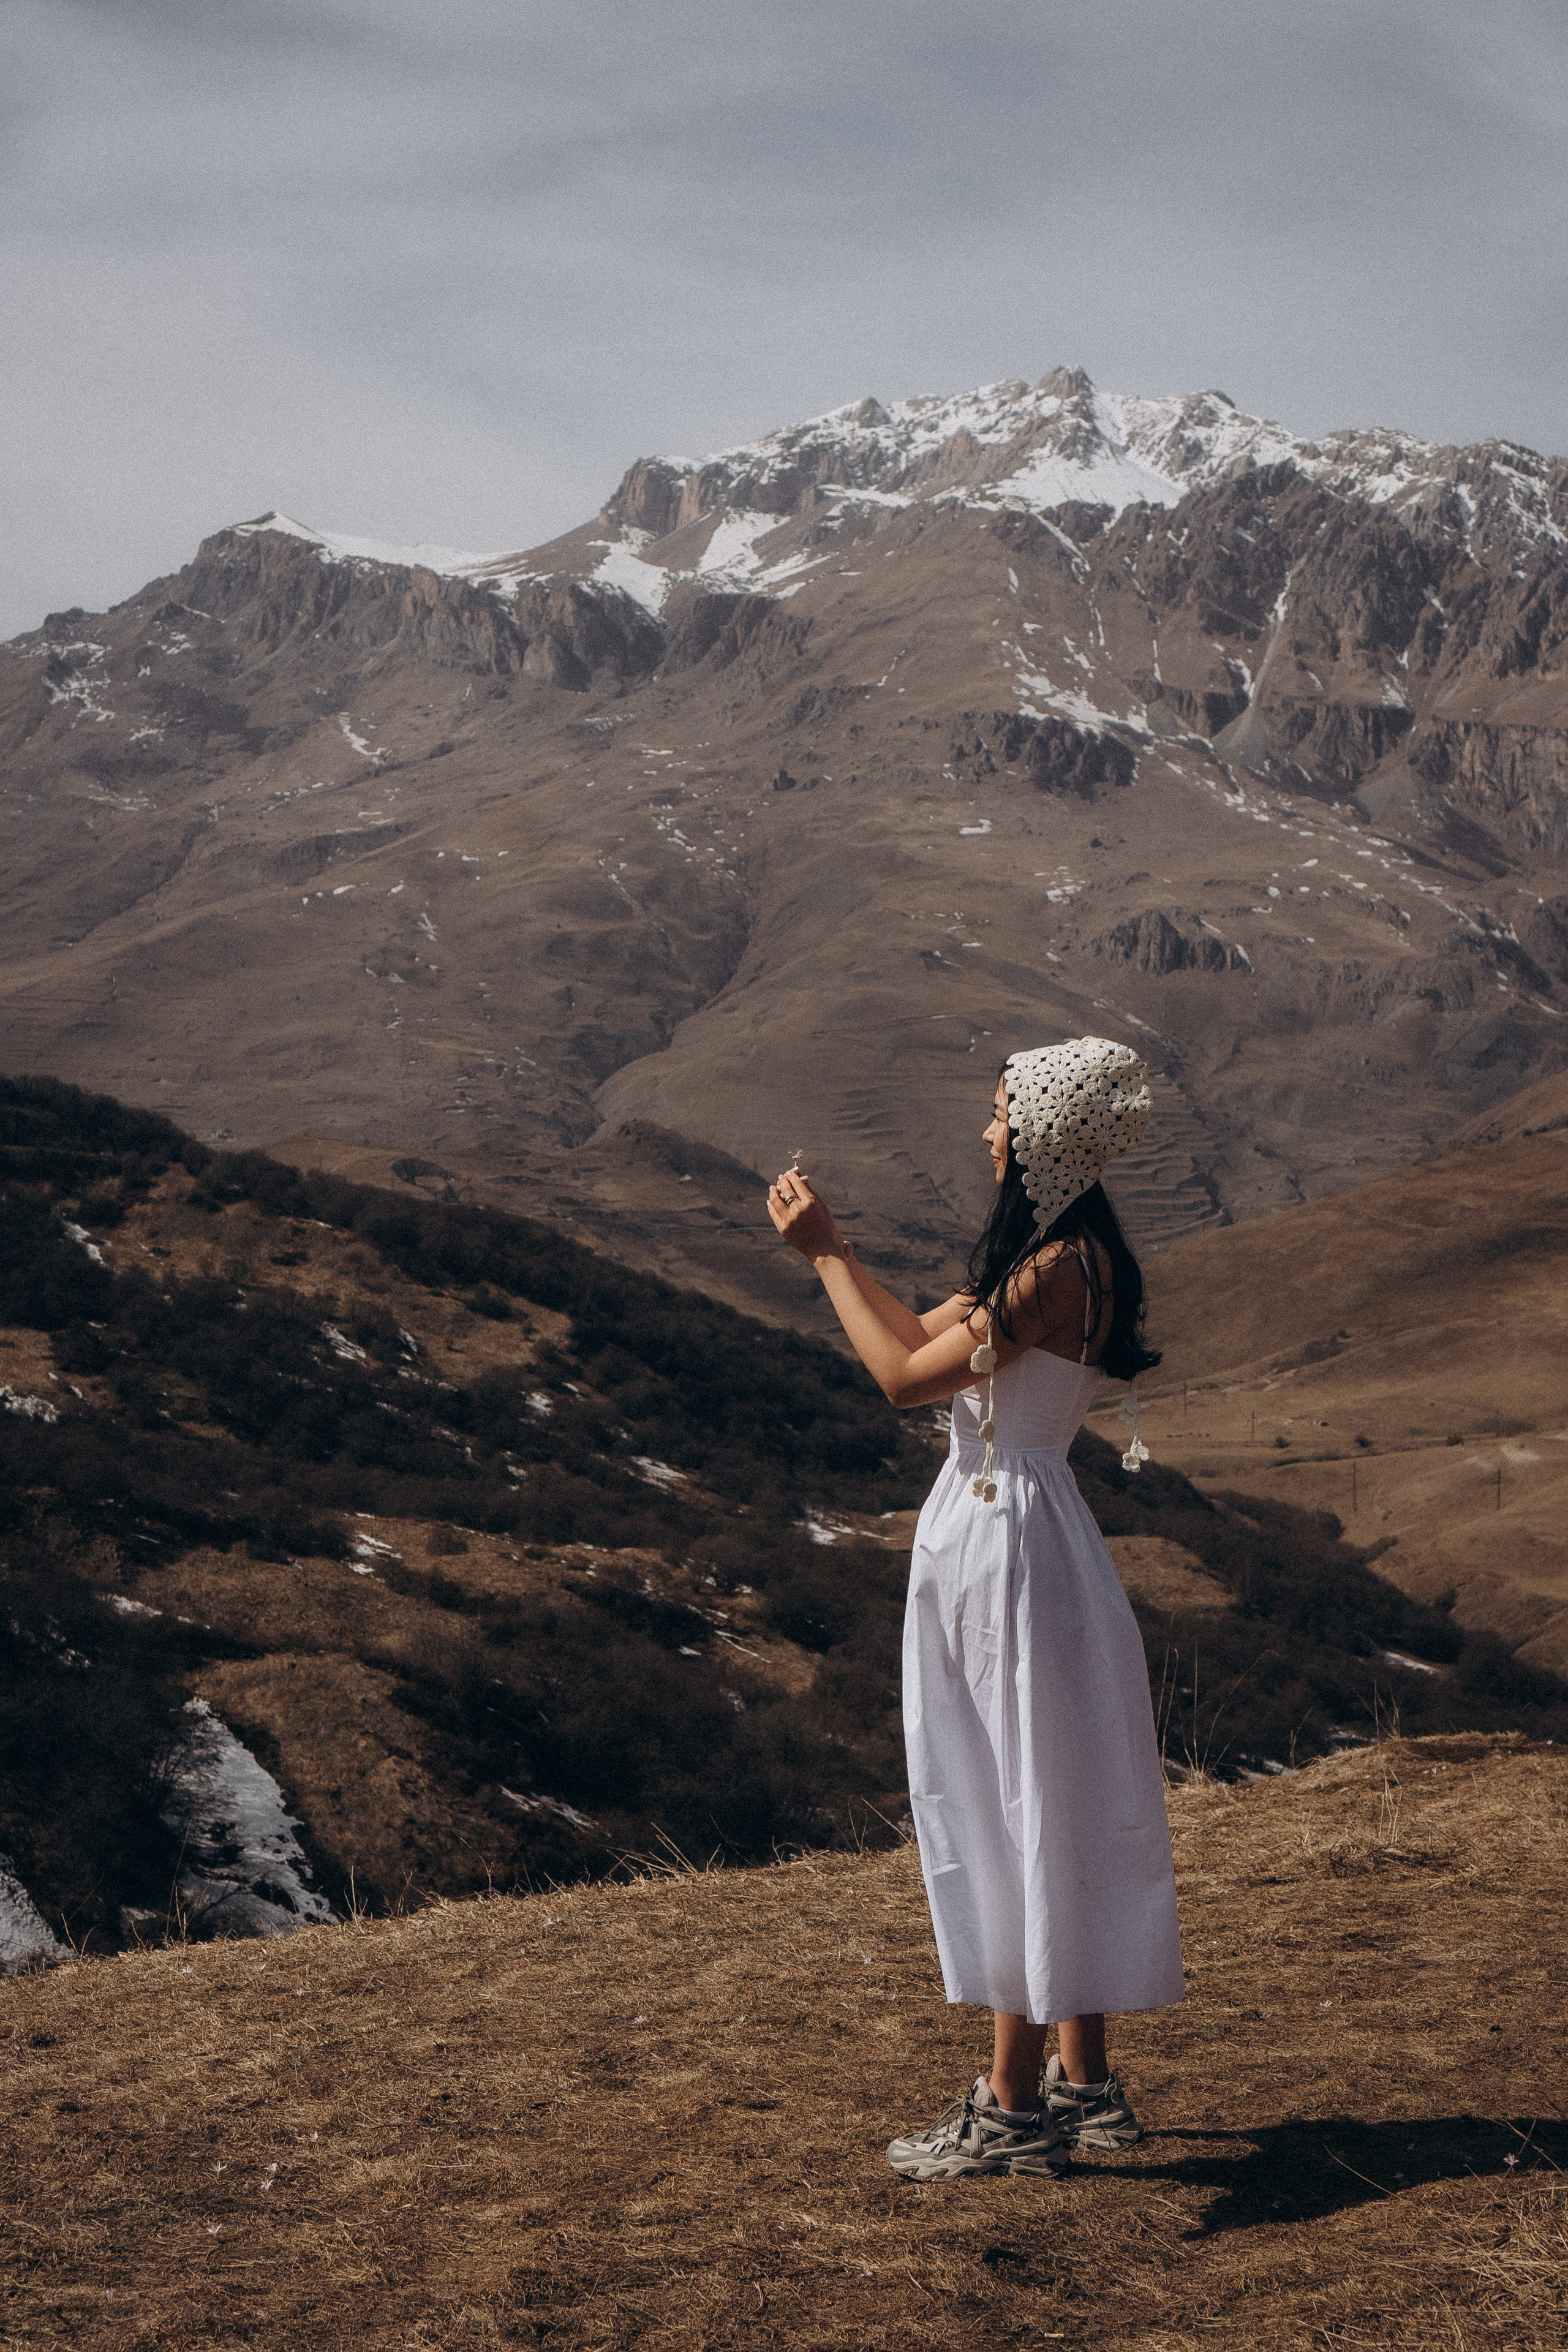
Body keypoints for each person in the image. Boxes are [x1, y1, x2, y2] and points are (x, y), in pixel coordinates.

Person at [766, 1036, 1183, 2181]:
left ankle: (1008, 2107)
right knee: (1048, 1787)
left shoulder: (1051, 1272)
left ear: (1046, 1133)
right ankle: (1082, 2078)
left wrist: (826, 1254)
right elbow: (926, 1351)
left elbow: (900, 1383)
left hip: (1004, 1543)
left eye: (1003, 1113)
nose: (988, 1131)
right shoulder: (1074, 1259)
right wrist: (862, 1271)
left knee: (1011, 1803)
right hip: (1030, 1533)